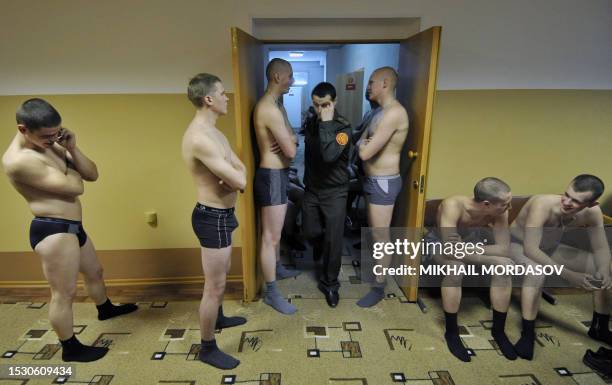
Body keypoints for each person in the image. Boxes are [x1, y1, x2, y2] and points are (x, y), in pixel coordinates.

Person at [2, 98, 137, 362]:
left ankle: (105, 309)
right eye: (47, 136)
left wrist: (73, 150)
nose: (53, 140)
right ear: (23, 130)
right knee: (64, 293)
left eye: (57, 133)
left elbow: (92, 173)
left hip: (72, 227)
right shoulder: (19, 160)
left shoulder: (49, 143)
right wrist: (71, 169)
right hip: (53, 230)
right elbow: (77, 187)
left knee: (95, 272)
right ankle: (71, 348)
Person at [182, 73, 247, 370]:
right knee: (215, 286)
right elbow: (241, 180)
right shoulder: (201, 138)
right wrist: (234, 176)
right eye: (222, 93)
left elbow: (240, 169)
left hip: (222, 215)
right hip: (212, 217)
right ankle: (207, 348)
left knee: (220, 280)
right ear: (208, 99)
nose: (227, 97)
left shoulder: (215, 133)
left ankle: (219, 318)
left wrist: (235, 175)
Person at [510, 174, 612, 360]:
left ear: (591, 204)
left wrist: (604, 270)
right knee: (537, 272)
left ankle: (600, 327)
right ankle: (527, 333)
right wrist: (569, 275)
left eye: (575, 201)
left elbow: (600, 247)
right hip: (518, 244)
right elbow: (531, 249)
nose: (566, 202)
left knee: (603, 266)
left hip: (550, 247)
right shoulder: (542, 204)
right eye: (566, 194)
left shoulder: (593, 213)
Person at [434, 177, 516, 362]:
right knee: (456, 269)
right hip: (438, 244)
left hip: (470, 243)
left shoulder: (500, 210)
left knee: (504, 266)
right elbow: (449, 250)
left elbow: (504, 248)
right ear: (486, 204)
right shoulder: (453, 205)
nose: (509, 208)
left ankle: (499, 331)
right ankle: (452, 333)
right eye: (506, 204)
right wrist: (491, 258)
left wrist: (469, 249)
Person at [355, 67, 409, 307]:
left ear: (385, 83)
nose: (368, 87)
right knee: (376, 234)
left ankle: (379, 286)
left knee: (380, 236)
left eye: (371, 82)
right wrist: (362, 145)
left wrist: (363, 146)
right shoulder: (378, 112)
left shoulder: (394, 113)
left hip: (383, 182)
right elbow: (360, 141)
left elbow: (365, 151)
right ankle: (379, 276)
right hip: (372, 180)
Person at [253, 58, 299, 315]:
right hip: (270, 175)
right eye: (290, 76)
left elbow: (292, 138)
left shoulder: (277, 105)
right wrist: (289, 142)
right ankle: (271, 293)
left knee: (276, 235)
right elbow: (291, 150)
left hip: (279, 174)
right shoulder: (268, 108)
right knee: (269, 237)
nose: (292, 81)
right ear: (277, 77)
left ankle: (278, 269)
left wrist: (288, 139)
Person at [302, 82, 352, 308]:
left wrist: (327, 123)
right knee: (310, 231)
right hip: (312, 189)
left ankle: (331, 284)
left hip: (335, 192)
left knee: (334, 240)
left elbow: (330, 154)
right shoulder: (311, 122)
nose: (319, 110)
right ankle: (321, 244)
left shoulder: (343, 129)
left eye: (325, 105)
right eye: (315, 105)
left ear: (335, 102)